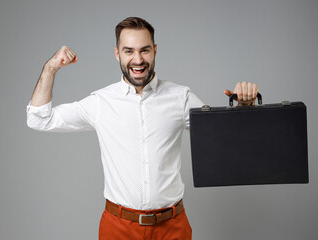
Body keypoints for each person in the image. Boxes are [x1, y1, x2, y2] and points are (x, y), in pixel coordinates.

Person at [27, 17, 259, 240]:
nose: (138, 60)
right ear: (117, 53)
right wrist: (50, 68)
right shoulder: (100, 102)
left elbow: (227, 139)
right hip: (118, 228)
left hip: (172, 228)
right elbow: (39, 119)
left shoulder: (180, 97)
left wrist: (244, 106)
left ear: (155, 50)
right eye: (128, 51)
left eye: (144, 50)